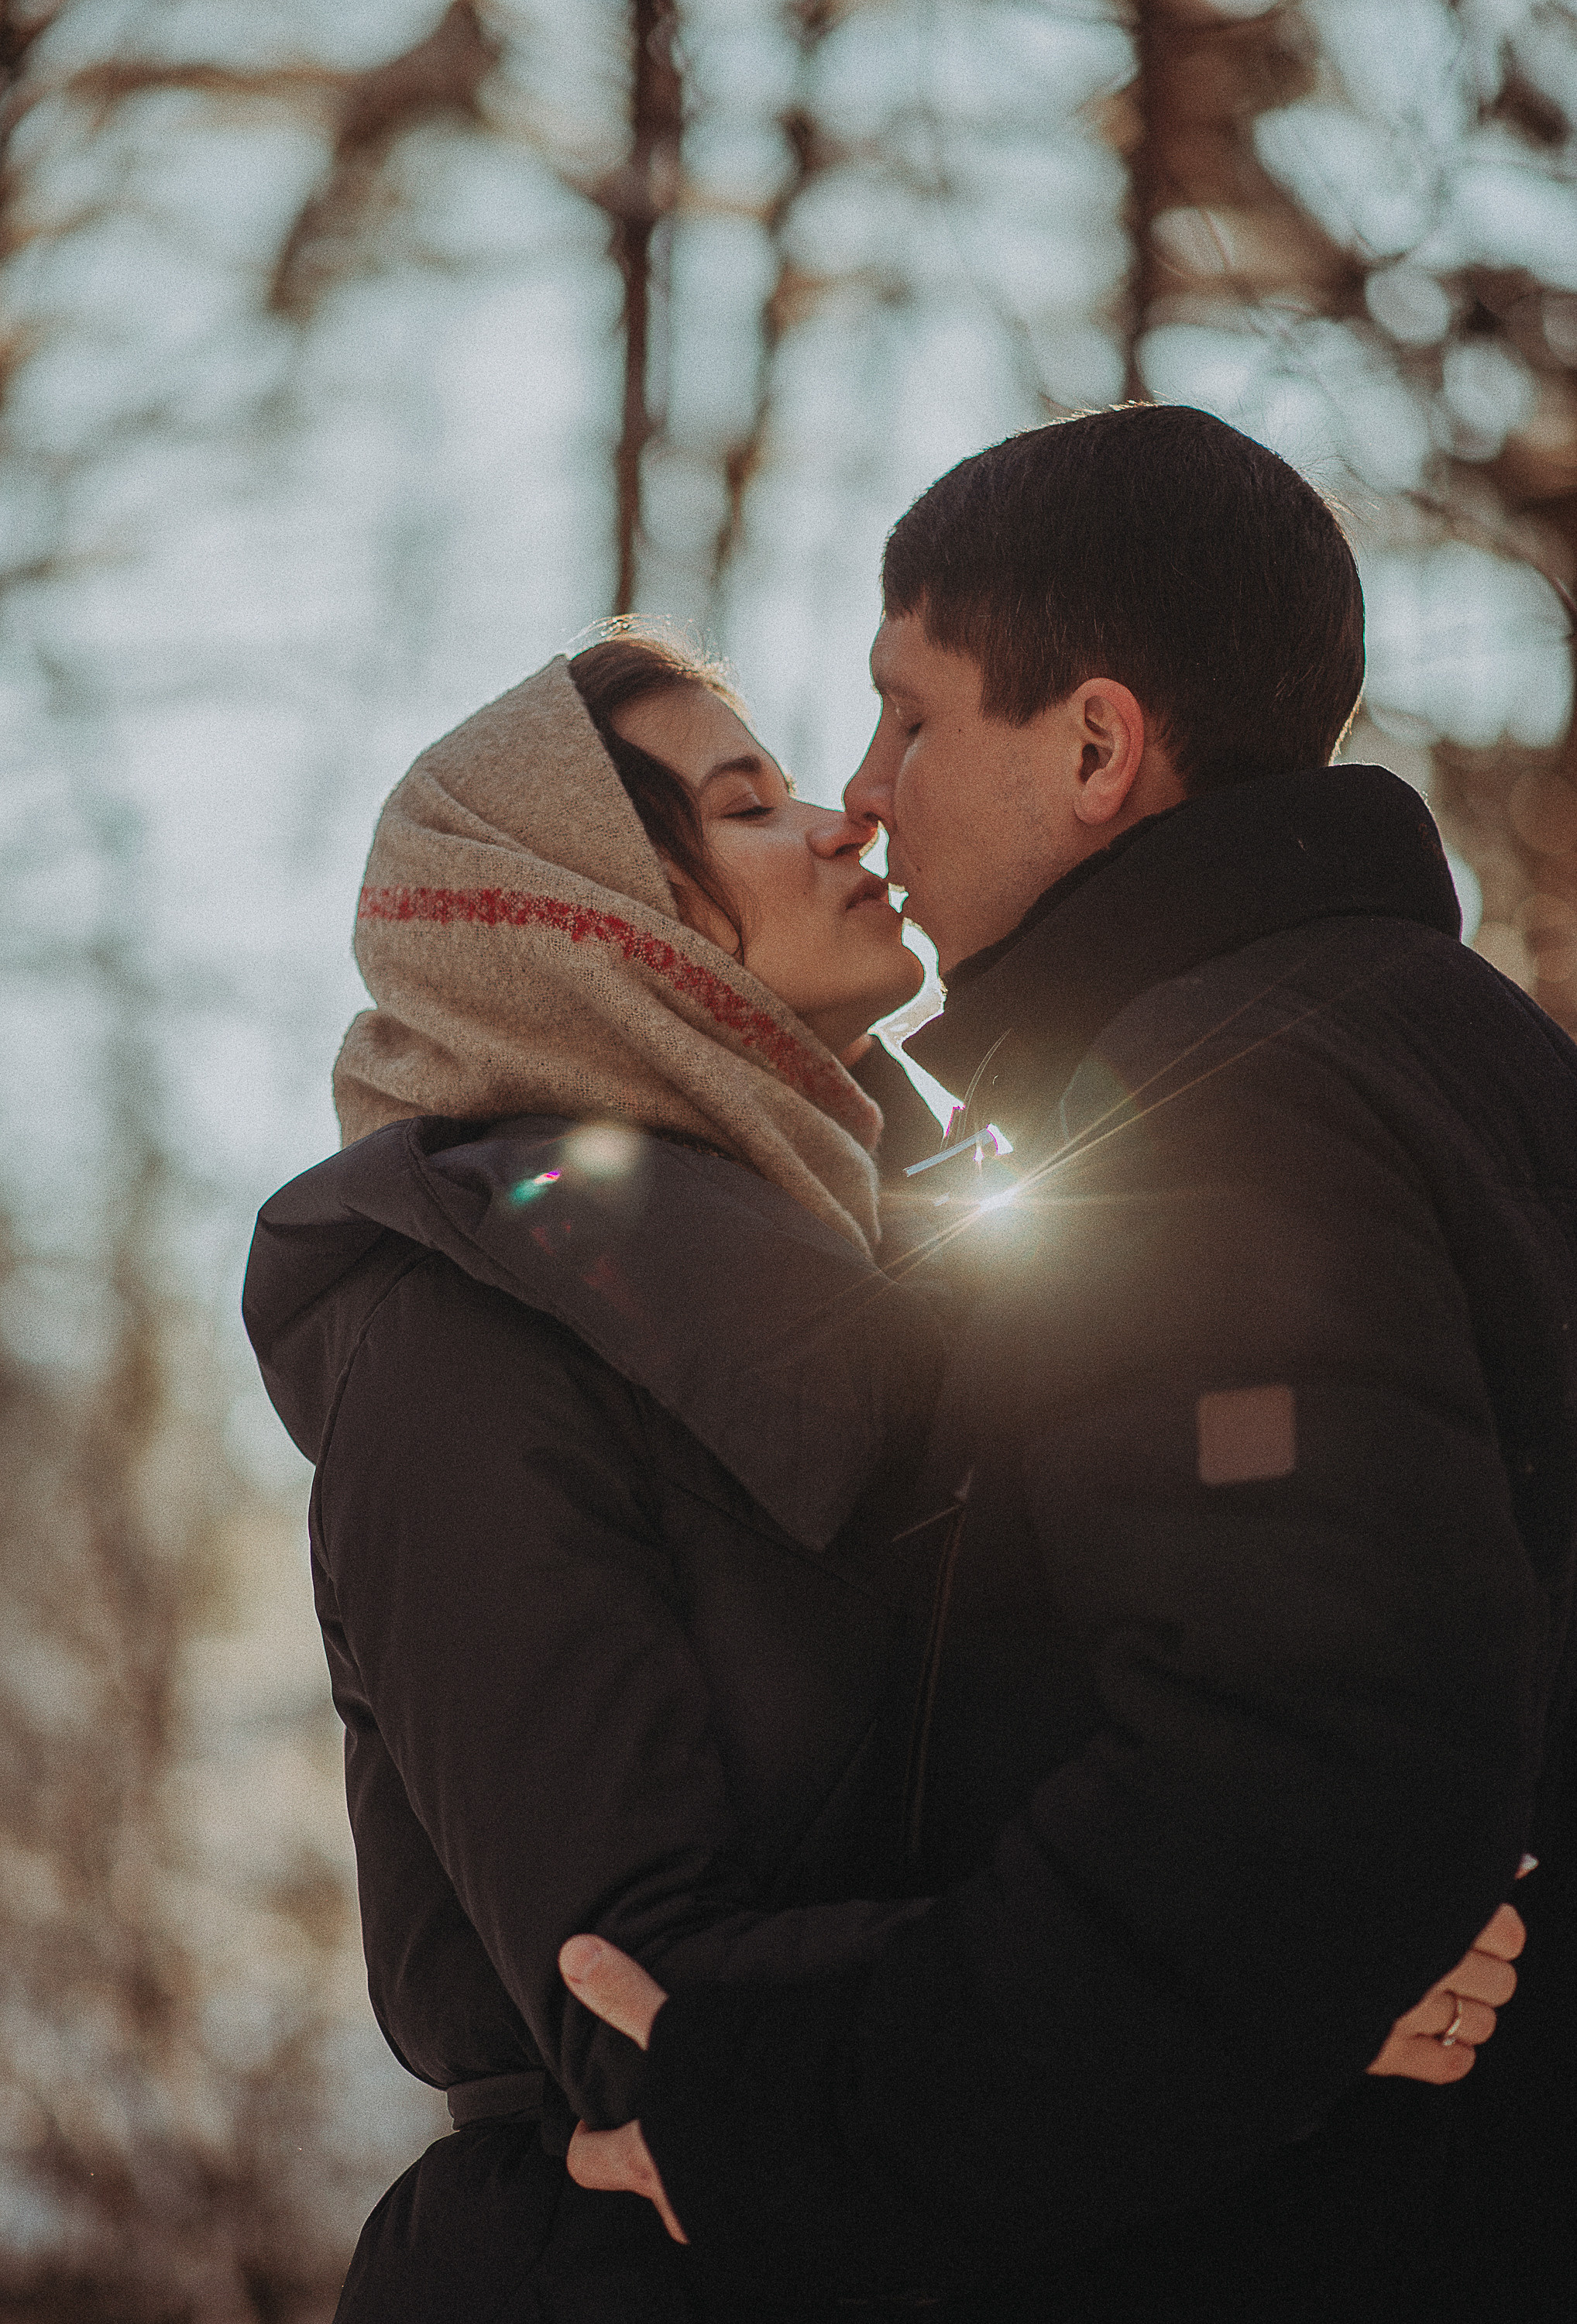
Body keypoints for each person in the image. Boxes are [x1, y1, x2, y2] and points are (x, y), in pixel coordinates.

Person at [244, 621, 1516, 2322]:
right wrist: (1261, 1992)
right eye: (746, 802)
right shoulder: (463, 1340)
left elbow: (1118, 1782)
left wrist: (1293, 1911)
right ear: (600, 915)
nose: (847, 816)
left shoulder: (977, 1280)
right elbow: (632, 2004)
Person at [560, 408, 1576, 2322]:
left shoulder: (1218, 1113)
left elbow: (1301, 1784)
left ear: (1096, 747)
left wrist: (801, 2110)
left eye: (908, 715)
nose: (863, 794)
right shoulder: (1465, 1056)